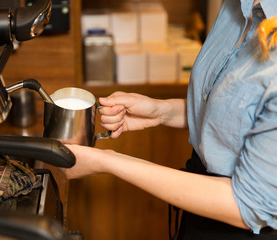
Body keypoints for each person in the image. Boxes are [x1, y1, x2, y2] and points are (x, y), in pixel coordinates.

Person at [61, 0, 277, 239]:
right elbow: (235, 114)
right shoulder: (238, 6)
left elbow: (247, 206)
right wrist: (161, 111)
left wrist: (107, 161)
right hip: (197, 201)